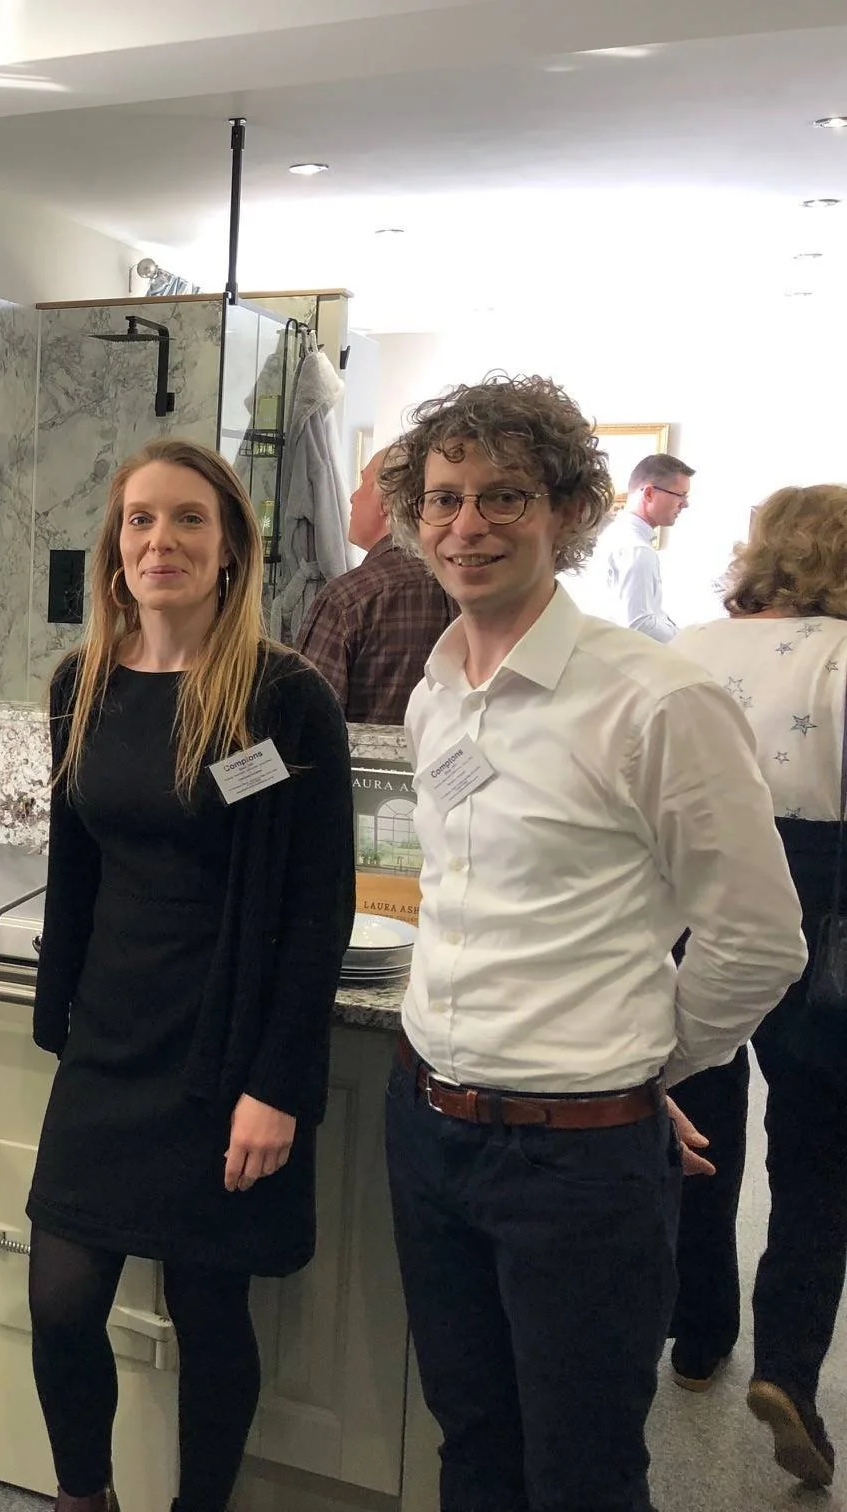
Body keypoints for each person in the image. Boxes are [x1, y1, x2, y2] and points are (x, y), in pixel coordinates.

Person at [381, 375, 805, 1512]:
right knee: (470, 1439)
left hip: (575, 1165)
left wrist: (640, 1070)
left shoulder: (656, 700)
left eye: (505, 496)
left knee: (582, 1470)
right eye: (444, 498)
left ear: (570, 511)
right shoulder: (438, 688)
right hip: (428, 1124)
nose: (468, 525)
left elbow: (759, 938)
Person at [27, 437, 355, 1512]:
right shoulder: (81, 684)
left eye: (187, 519)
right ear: (114, 549)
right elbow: (75, 869)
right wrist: (61, 1023)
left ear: (232, 549)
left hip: (224, 1049)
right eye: (140, 520)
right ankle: (86, 1497)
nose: (159, 540)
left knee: (210, 1312)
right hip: (111, 1041)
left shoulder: (283, 698)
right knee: (61, 1303)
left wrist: (277, 1084)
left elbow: (316, 906)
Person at [669, 484, 847, 1489]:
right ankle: (788, 1369)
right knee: (818, 1156)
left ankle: (697, 1337)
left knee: (694, 1117)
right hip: (826, 901)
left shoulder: (691, 649)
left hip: (693, 887)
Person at [295, 445, 458, 723]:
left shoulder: (347, 600)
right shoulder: (467, 587)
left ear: (388, 502)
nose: (353, 496)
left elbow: (302, 725)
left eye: (363, 483)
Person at [572, 452, 695, 641]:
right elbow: (639, 625)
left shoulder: (618, 535)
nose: (685, 504)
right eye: (681, 495)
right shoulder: (636, 550)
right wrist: (686, 643)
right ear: (649, 493)